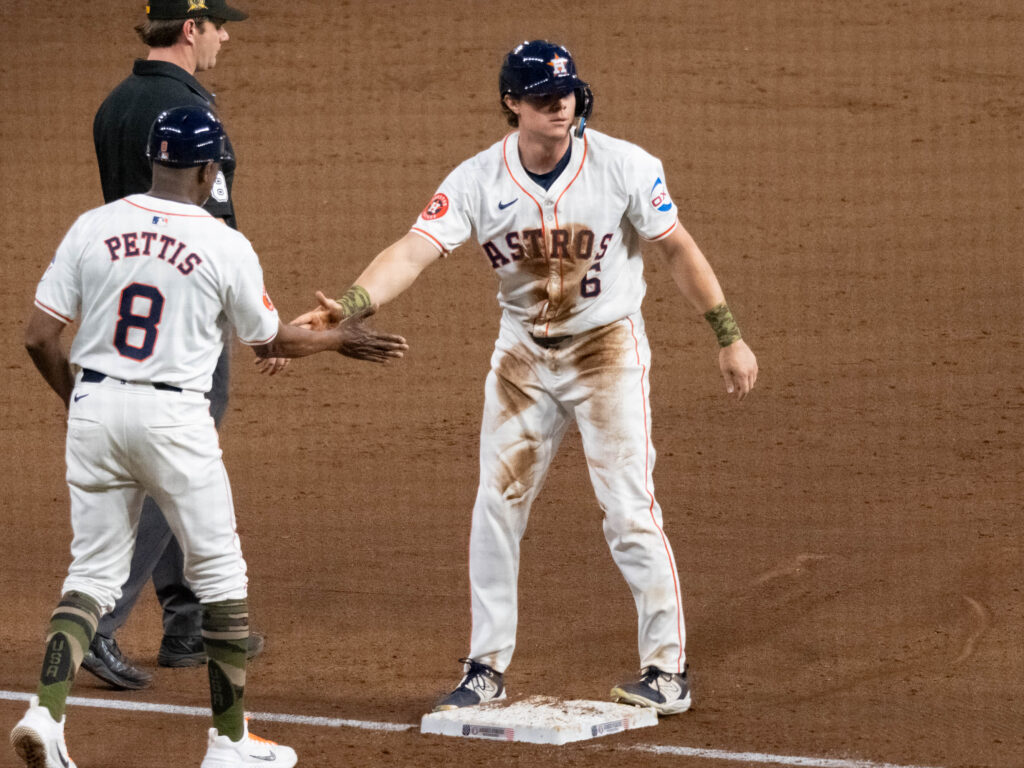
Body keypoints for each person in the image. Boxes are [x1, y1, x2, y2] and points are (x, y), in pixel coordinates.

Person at [295, 40, 758, 717]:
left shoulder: (625, 166)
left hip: (607, 350)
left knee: (629, 507)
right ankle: (485, 667)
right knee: (497, 505)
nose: (559, 105)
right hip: (523, 359)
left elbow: (677, 248)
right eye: (542, 96)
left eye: (566, 94)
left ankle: (667, 670)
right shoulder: (478, 179)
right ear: (512, 103)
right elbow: (413, 250)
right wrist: (356, 302)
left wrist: (729, 336)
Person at [11, 106, 406, 768]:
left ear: (152, 161)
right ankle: (229, 742)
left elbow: (37, 335)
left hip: (96, 409)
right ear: (208, 170)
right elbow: (271, 338)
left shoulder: (94, 226)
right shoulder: (223, 244)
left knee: (93, 571)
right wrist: (340, 337)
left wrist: (79, 398)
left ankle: (44, 715)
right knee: (220, 570)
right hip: (174, 420)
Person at [86, 0, 265, 689]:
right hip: (185, 321)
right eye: (219, 26)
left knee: (169, 465)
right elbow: (212, 230)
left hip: (122, 313)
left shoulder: (115, 105)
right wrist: (252, 320)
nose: (224, 38)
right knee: (175, 466)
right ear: (190, 29)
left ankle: (188, 623)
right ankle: (99, 621)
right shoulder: (194, 116)